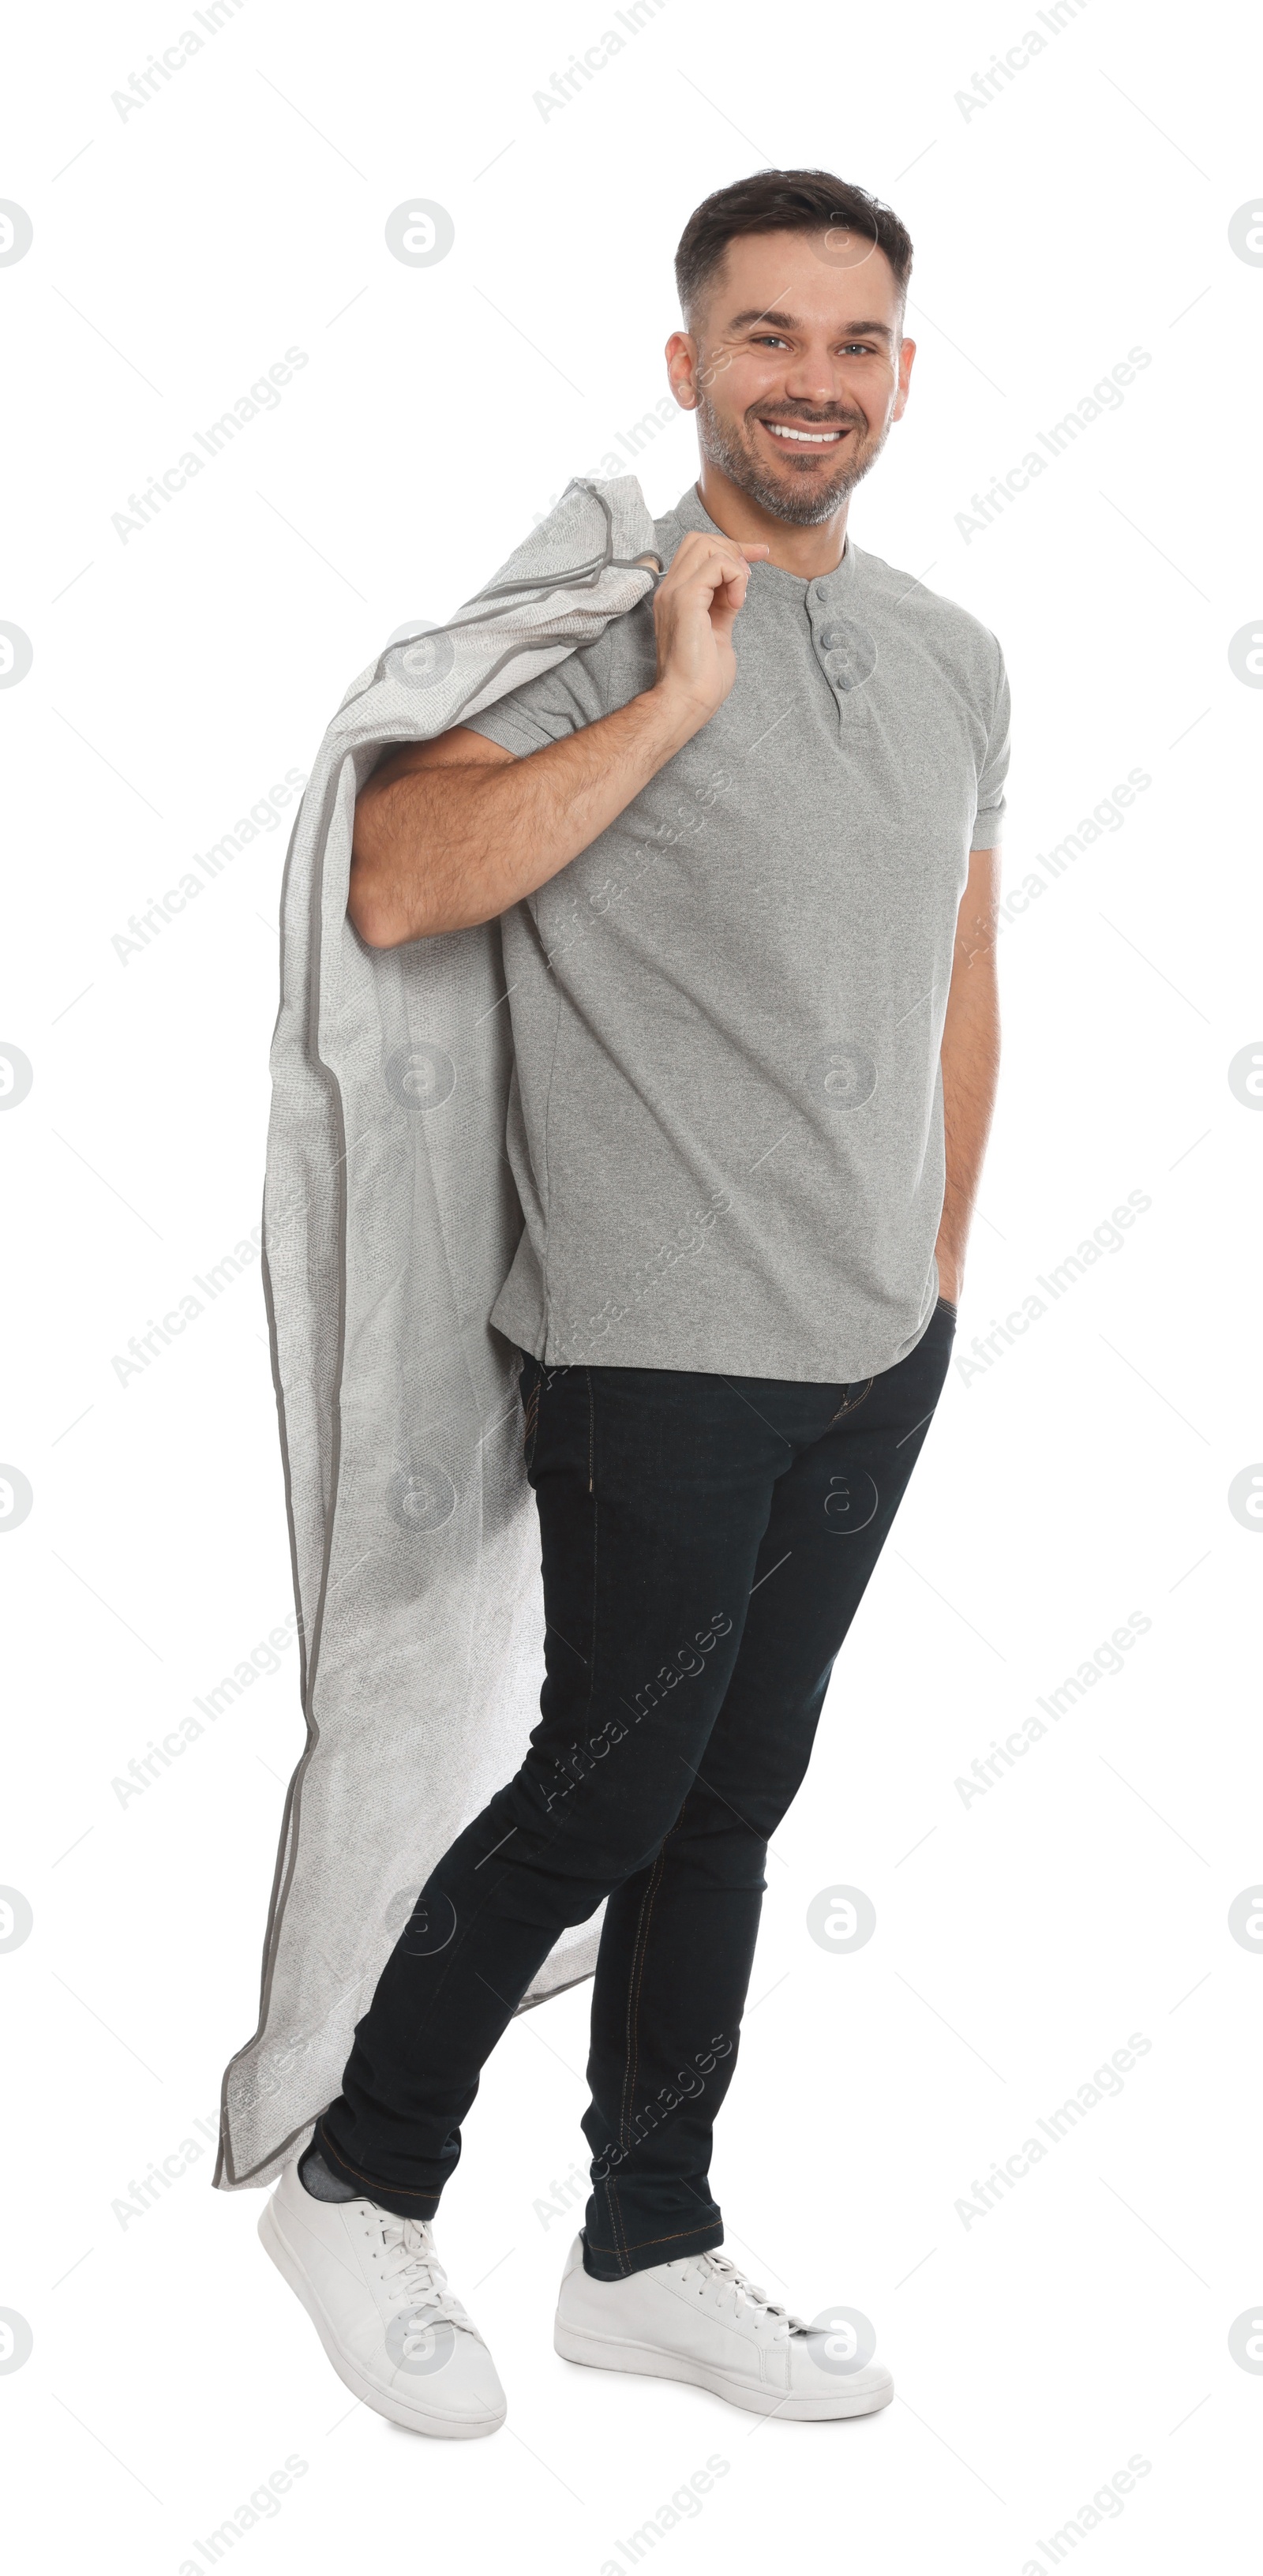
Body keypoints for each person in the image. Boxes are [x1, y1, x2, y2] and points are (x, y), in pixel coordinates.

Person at [257, 167, 1010, 2438]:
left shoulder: (965, 654)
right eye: (766, 337)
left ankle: (648, 2248)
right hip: (656, 1341)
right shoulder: (593, 614)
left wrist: (939, 1267)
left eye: (854, 340)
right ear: (689, 365)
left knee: (732, 1801)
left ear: (901, 370)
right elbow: (397, 881)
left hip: (870, 1347)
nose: (813, 378)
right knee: (605, 1790)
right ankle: (357, 2178)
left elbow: (960, 974)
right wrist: (679, 698)